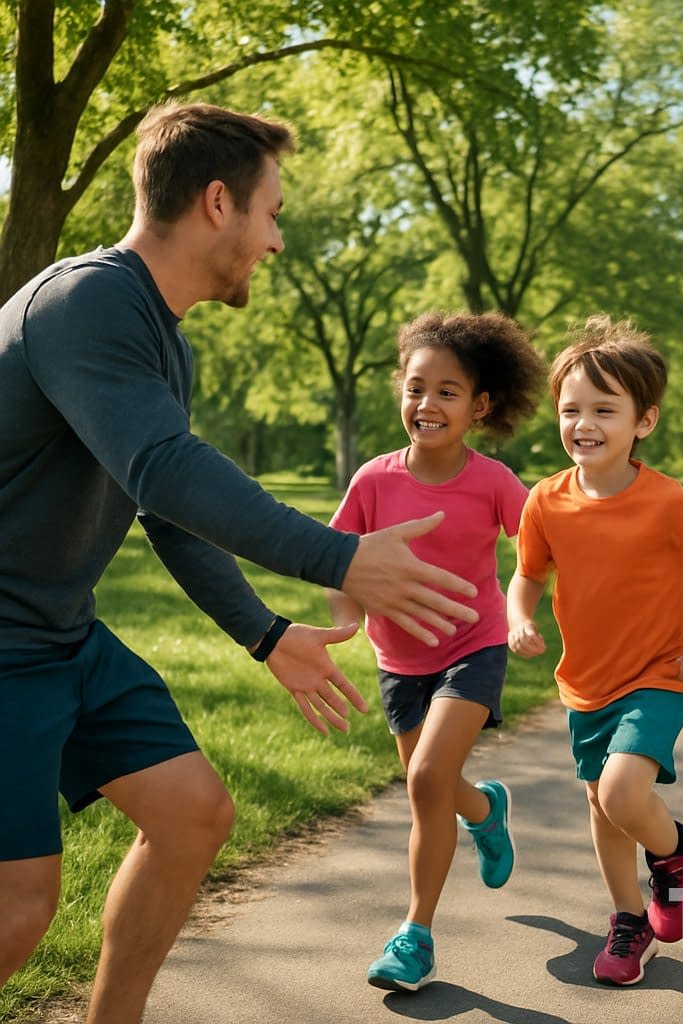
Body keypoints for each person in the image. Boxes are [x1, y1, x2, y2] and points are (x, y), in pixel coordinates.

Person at [0, 103, 482, 1024]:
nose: (278, 238)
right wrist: (337, 554)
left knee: (191, 816)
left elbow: (159, 506)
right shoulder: (85, 301)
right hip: (2, 642)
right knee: (20, 904)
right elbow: (165, 470)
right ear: (217, 203)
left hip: (58, 632)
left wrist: (264, 633)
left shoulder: (159, 340)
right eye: (271, 212)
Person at [507, 315, 683, 986]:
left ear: (643, 421)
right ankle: (627, 917)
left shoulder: (668, 502)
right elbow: (527, 573)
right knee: (600, 802)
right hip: (585, 679)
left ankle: (675, 855)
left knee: (621, 790)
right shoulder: (544, 502)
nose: (584, 422)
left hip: (663, 672)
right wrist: (517, 617)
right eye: (571, 409)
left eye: (604, 410)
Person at [326, 311, 546, 992]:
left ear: (479, 407)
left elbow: (540, 548)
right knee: (437, 789)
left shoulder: (493, 481)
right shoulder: (372, 480)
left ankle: (414, 936)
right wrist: (345, 626)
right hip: (400, 661)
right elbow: (340, 562)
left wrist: (522, 613)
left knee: (424, 781)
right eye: (416, 388)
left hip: (474, 647)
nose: (427, 404)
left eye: (447, 391)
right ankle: (485, 810)